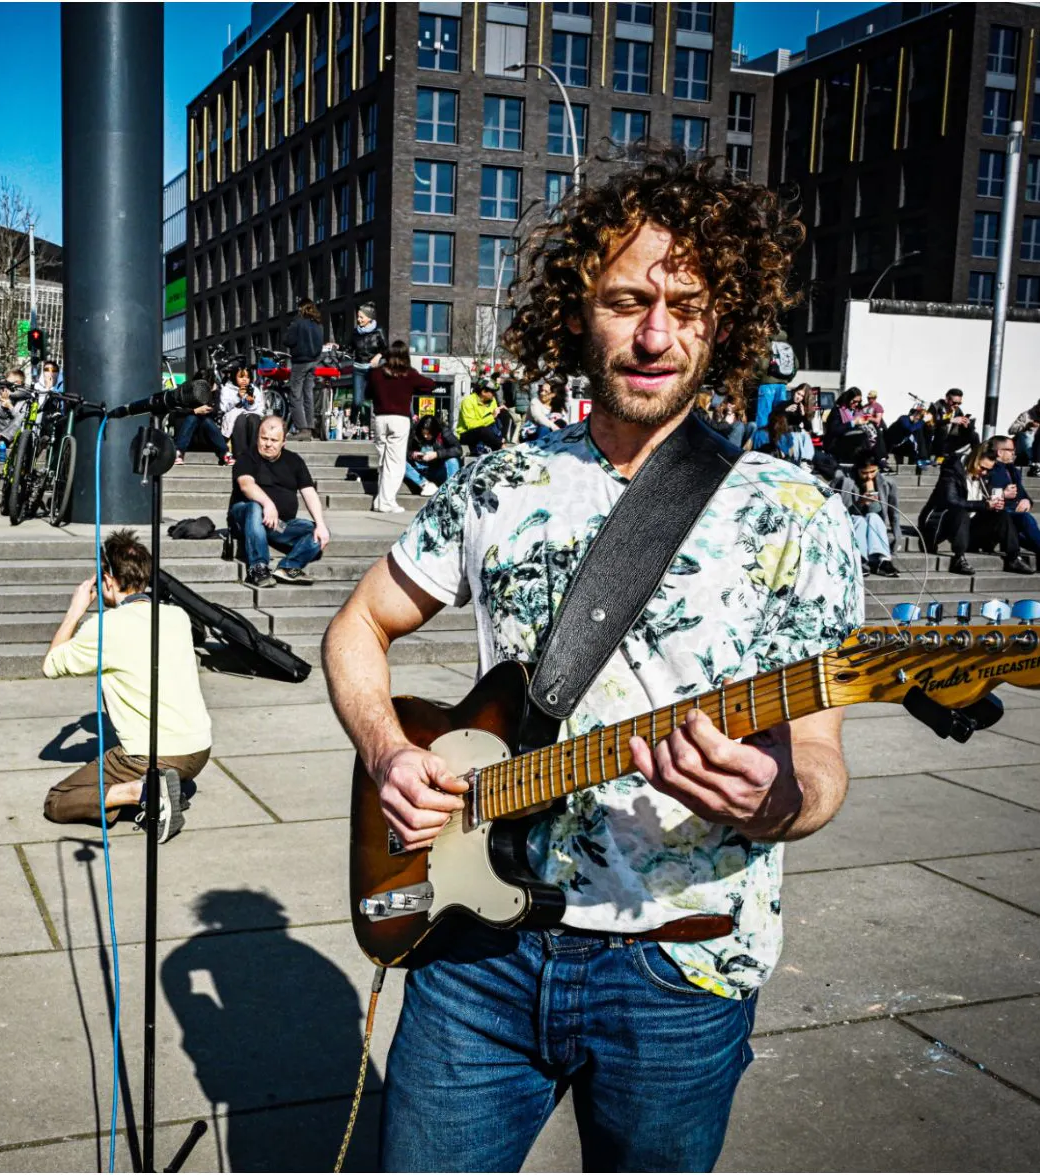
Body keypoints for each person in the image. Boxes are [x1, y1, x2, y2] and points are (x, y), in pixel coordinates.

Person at [323, 149, 863, 1172]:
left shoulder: (798, 513)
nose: (654, 334)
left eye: (685, 304)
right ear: (578, 309)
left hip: (677, 965)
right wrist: (390, 750)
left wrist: (778, 798)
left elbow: (820, 756)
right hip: (474, 954)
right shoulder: (496, 485)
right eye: (625, 300)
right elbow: (356, 627)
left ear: (725, 317)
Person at [39, 529, 212, 843]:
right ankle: (162, 788)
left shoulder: (104, 627)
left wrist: (75, 611)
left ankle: (143, 790)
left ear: (106, 580)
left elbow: (51, 664)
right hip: (199, 751)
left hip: (155, 756)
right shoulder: (176, 616)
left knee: (58, 800)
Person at [228, 415, 330, 587]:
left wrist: (321, 524)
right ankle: (258, 567)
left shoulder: (294, 461)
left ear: (283, 442)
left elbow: (309, 492)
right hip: (245, 520)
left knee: (317, 533)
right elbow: (246, 485)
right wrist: (268, 504)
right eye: (264, 438)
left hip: (278, 525)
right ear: (258, 437)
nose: (268, 444)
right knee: (255, 507)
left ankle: (288, 567)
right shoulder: (247, 457)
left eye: (274, 440)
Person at [917, 440, 1035, 575]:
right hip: (943, 521)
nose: (984, 473)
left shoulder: (985, 474)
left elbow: (985, 498)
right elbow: (952, 501)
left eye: (988, 470)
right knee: (960, 513)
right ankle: (958, 558)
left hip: (970, 526)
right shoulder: (952, 469)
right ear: (974, 459)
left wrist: (995, 503)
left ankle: (1013, 558)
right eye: (982, 468)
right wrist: (985, 505)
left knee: (1001, 515)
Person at [367, 339, 436, 513]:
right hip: (399, 420)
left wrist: (374, 366)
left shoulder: (376, 373)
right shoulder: (409, 374)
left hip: (380, 419)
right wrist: (411, 389)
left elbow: (368, 393)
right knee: (395, 464)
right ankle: (387, 502)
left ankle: (379, 501)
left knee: (383, 462)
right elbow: (430, 385)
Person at [838, 457, 901, 577]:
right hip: (853, 522)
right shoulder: (846, 482)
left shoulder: (887, 483)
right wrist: (860, 502)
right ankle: (860, 559)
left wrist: (897, 536)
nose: (869, 476)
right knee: (859, 520)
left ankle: (883, 560)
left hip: (875, 524)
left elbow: (894, 512)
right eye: (864, 473)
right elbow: (841, 510)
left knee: (873, 516)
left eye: (873, 471)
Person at [987, 433, 1040, 556]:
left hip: (1013, 513)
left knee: (1022, 533)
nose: (1013, 453)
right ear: (1000, 452)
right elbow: (984, 495)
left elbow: (1022, 493)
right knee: (1025, 519)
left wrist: (1026, 501)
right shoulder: (989, 470)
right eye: (1010, 450)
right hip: (996, 516)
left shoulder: (1012, 470)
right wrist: (1003, 494)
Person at [283, 299, 329, 439]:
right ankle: (310, 427)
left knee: (295, 396)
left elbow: (287, 340)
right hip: (313, 362)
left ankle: (302, 429)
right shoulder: (318, 325)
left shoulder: (298, 322)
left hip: (300, 362)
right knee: (308, 394)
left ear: (300, 309)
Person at [173, 380, 231, 466]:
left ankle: (225, 454)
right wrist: (195, 411)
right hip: (186, 436)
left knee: (206, 420)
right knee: (192, 418)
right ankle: (178, 453)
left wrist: (210, 405)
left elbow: (217, 412)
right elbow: (177, 412)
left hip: (206, 436)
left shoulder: (214, 393)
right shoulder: (184, 393)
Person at [403, 413, 458, 495]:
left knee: (453, 461)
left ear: (435, 431)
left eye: (428, 434)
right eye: (423, 433)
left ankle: (453, 490)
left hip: (438, 469)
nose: (425, 436)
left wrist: (436, 454)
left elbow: (457, 449)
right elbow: (403, 451)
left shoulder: (444, 432)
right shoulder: (414, 432)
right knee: (399, 462)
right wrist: (412, 454)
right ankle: (425, 485)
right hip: (420, 470)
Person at [219, 366, 265, 456]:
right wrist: (238, 398)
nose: (244, 380)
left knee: (253, 419)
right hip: (233, 414)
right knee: (240, 419)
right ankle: (240, 454)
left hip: (252, 414)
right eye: (241, 377)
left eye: (247, 377)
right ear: (234, 377)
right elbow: (224, 408)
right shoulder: (227, 389)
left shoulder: (254, 389)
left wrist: (251, 402)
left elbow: (259, 408)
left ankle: (254, 453)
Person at [349, 303, 388, 408]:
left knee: (372, 400)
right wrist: (336, 346)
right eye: (358, 317)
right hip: (358, 370)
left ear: (369, 318)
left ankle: (368, 422)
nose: (358, 319)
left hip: (373, 369)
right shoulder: (355, 332)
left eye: (361, 317)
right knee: (357, 402)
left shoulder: (378, 331)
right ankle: (359, 421)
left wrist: (379, 355)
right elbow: (348, 348)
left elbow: (386, 349)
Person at [928, 388, 979, 462]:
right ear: (946, 399)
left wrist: (967, 425)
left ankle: (977, 458)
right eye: (954, 403)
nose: (956, 405)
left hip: (949, 442)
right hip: (934, 442)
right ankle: (939, 456)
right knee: (943, 428)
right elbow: (930, 424)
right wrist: (950, 420)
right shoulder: (935, 407)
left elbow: (963, 429)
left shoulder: (957, 410)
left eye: (959, 403)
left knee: (974, 435)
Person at [455, 382, 507, 454]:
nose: (494, 394)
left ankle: (502, 440)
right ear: (483, 392)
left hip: (486, 430)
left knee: (504, 413)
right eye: (492, 392)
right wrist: (492, 417)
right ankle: (501, 446)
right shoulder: (468, 401)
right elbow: (471, 425)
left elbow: (494, 419)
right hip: (466, 433)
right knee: (482, 430)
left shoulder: (492, 400)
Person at [1007, 399, 1040, 472]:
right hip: (1026, 448)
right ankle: (1035, 463)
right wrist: (1026, 426)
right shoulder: (1026, 415)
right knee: (1026, 434)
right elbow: (1011, 430)